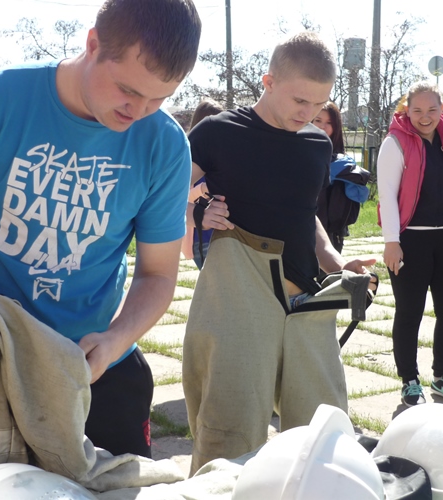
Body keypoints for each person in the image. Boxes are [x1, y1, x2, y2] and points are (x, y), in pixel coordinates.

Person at [0, 0, 201, 459]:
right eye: (127, 90)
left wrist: (115, 340)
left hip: (90, 360)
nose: (140, 110)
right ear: (93, 43)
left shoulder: (166, 145)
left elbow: (157, 275)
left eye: (161, 98)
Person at [182, 31, 376, 474]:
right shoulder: (217, 132)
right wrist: (198, 212)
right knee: (228, 432)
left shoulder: (316, 145)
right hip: (238, 299)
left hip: (304, 301)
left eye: (319, 105)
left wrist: (337, 262)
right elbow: (168, 198)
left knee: (324, 433)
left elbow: (306, 217)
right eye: (299, 100)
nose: (307, 114)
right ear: (268, 81)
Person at [377, 81, 443, 407]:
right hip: (410, 241)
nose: (425, 116)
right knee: (409, 313)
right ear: (406, 109)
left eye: (432, 109)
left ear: (441, 109)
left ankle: (442, 376)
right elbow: (388, 197)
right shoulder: (395, 143)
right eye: (417, 110)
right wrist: (392, 242)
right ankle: (409, 382)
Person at [312, 102, 368, 254]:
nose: (323, 126)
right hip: (302, 227)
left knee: (330, 275)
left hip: (331, 231)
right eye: (318, 120)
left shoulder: (342, 161)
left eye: (329, 123)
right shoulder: (297, 151)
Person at [180, 98, 225, 268]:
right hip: (201, 237)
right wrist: (204, 189)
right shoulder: (189, 155)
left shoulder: (224, 154)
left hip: (223, 237)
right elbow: (175, 194)